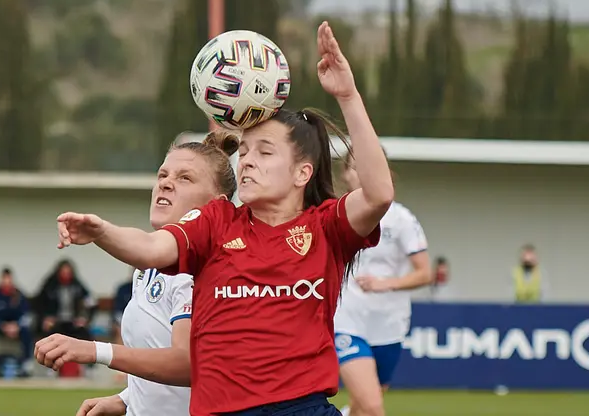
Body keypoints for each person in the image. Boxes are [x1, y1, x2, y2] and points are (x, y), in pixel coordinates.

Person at [38, 22, 393, 416]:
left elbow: (379, 193)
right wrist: (102, 231)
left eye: (265, 152)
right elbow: (152, 247)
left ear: (301, 173)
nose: (248, 161)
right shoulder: (218, 221)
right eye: (245, 150)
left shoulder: (325, 228)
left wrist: (347, 95)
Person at [42, 133, 238, 416]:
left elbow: (189, 364)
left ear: (217, 205)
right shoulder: (147, 269)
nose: (166, 183)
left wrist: (95, 351)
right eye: (163, 174)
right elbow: (159, 357)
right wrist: (127, 398)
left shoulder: (199, 270)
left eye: (185, 178)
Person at [333, 151, 431, 416]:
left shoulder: (401, 219)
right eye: (353, 167)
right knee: (373, 406)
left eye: (367, 164)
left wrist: (385, 284)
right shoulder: (334, 214)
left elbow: (424, 274)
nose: (361, 172)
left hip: (388, 324)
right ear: (345, 174)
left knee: (362, 406)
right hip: (347, 321)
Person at [0, 267, 33, 378]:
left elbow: (26, 315)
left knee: (27, 331)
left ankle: (26, 363)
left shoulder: (19, 295)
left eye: (9, 279)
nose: (7, 282)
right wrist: (2, 326)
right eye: (4, 279)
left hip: (16, 327)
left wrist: (16, 326)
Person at [34, 259, 97, 341]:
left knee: (85, 335)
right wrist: (45, 318)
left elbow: (91, 302)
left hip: (73, 322)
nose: (66, 276)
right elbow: (38, 304)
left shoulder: (77, 286)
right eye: (63, 273)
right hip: (55, 322)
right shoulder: (50, 286)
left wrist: (85, 318)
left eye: (68, 273)